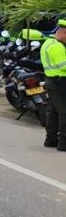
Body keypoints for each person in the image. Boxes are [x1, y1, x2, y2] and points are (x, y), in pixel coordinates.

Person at [41, 19, 66, 150]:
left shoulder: (47, 43)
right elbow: (64, 66)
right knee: (64, 112)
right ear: (63, 33)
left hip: (51, 80)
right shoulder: (58, 47)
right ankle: (63, 143)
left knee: (53, 111)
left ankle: (51, 139)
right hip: (59, 82)